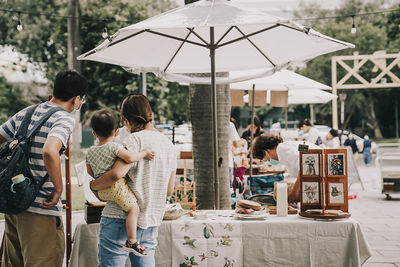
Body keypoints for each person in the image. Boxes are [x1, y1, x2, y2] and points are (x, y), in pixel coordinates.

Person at [0, 70, 87, 267]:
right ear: (76, 100)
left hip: (13, 206)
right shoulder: (64, 118)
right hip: (41, 209)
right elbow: (50, 151)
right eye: (82, 100)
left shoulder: (26, 112)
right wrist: (57, 189)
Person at [89, 94, 177, 267]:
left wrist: (93, 186)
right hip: (150, 221)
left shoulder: (134, 140)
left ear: (126, 120)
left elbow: (116, 174)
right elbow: (168, 191)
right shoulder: (169, 145)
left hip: (118, 218)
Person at [86, 108, 155, 256]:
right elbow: (129, 158)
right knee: (133, 209)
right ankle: (131, 241)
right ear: (117, 132)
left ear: (94, 133)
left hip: (102, 191)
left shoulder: (90, 151)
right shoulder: (115, 147)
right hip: (116, 188)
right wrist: (144, 153)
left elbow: (89, 172)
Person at [252, 134, 320, 203]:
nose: (269, 161)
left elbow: (304, 164)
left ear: (266, 152)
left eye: (266, 159)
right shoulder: (284, 147)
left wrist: (294, 191)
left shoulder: (281, 149)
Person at [228, 120, 240, 188]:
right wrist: (244, 141)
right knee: (229, 188)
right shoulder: (229, 125)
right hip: (227, 162)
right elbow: (236, 144)